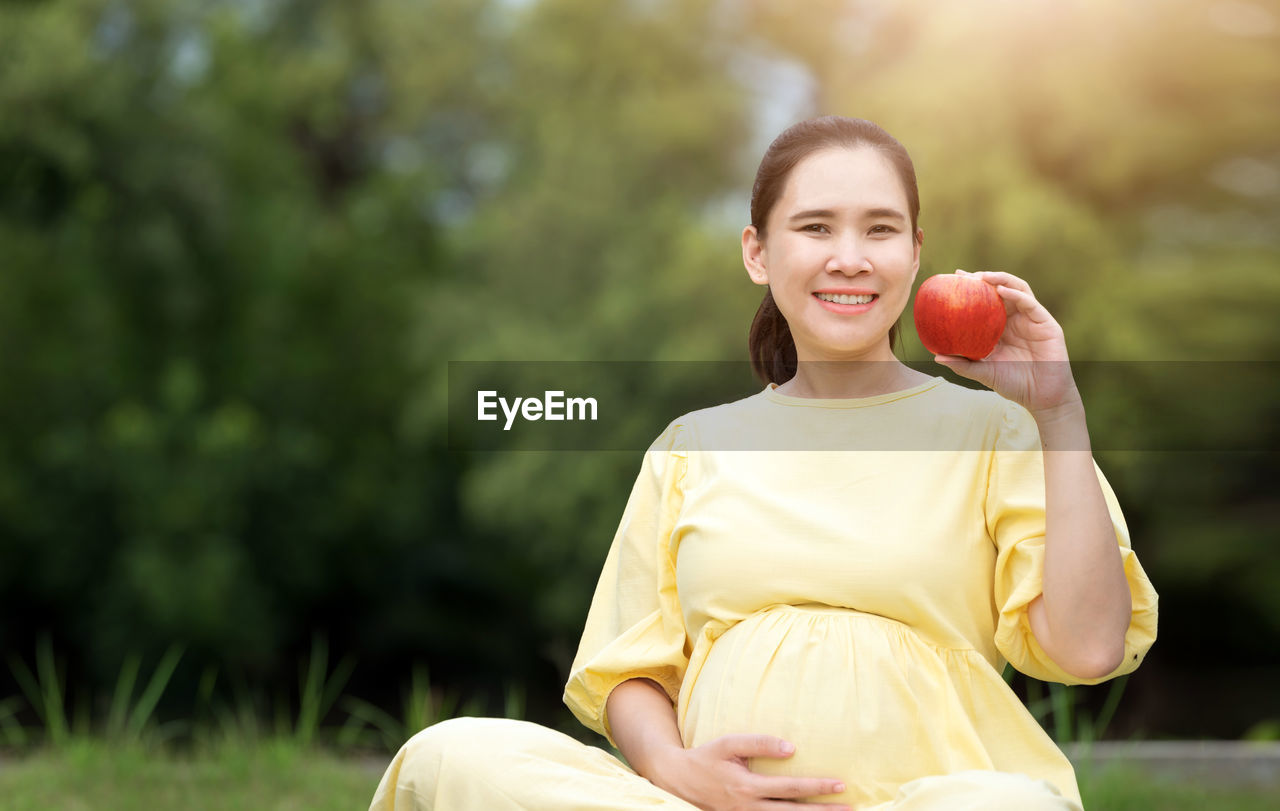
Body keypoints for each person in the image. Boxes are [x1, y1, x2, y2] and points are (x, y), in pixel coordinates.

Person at [369, 115, 1158, 811]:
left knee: (1008, 808)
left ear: (916, 254)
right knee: (453, 757)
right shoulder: (692, 447)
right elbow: (631, 672)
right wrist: (679, 771)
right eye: (815, 227)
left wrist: (1057, 409)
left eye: (880, 230)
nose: (849, 257)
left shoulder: (997, 431)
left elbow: (1087, 648)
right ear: (757, 251)